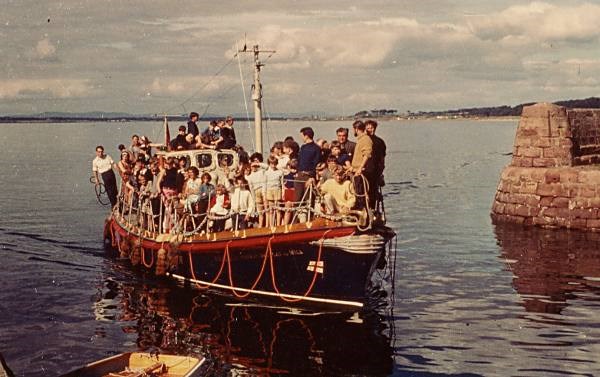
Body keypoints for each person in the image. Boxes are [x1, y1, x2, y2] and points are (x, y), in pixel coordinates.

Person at [351, 120, 374, 209]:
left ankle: (362, 211)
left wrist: (360, 167)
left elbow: (367, 154)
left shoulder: (365, 139)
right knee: (357, 193)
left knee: (361, 194)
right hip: (356, 171)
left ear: (356, 129)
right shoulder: (361, 140)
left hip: (361, 172)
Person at [295, 127, 321, 202]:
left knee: (308, 199)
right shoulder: (303, 147)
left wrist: (312, 176)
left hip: (309, 176)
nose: (301, 138)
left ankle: (309, 214)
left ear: (306, 136)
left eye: (302, 136)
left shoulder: (316, 148)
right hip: (299, 175)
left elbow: (316, 163)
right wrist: (297, 172)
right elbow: (299, 161)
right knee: (297, 199)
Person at [365, 119, 386, 209]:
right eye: (368, 128)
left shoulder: (379, 142)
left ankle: (372, 209)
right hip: (364, 169)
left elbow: (382, 158)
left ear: (375, 128)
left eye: (372, 128)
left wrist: (380, 171)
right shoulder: (363, 140)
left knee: (373, 191)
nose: (370, 129)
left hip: (374, 171)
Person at [246, 161, 266, 227]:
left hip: (263, 190)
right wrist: (254, 199)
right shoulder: (249, 177)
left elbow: (267, 167)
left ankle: (267, 225)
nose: (254, 167)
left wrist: (258, 163)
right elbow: (251, 188)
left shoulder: (261, 172)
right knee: (260, 211)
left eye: (255, 166)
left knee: (266, 208)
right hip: (256, 192)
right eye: (252, 166)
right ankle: (260, 225)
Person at [265, 156, 283, 226]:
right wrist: (265, 193)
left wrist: (283, 192)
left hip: (277, 189)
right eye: (271, 164)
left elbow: (282, 183)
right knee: (271, 210)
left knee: (278, 209)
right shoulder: (266, 173)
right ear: (269, 164)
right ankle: (271, 225)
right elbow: (264, 183)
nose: (273, 165)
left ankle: (278, 225)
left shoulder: (280, 172)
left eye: (274, 163)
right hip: (269, 190)